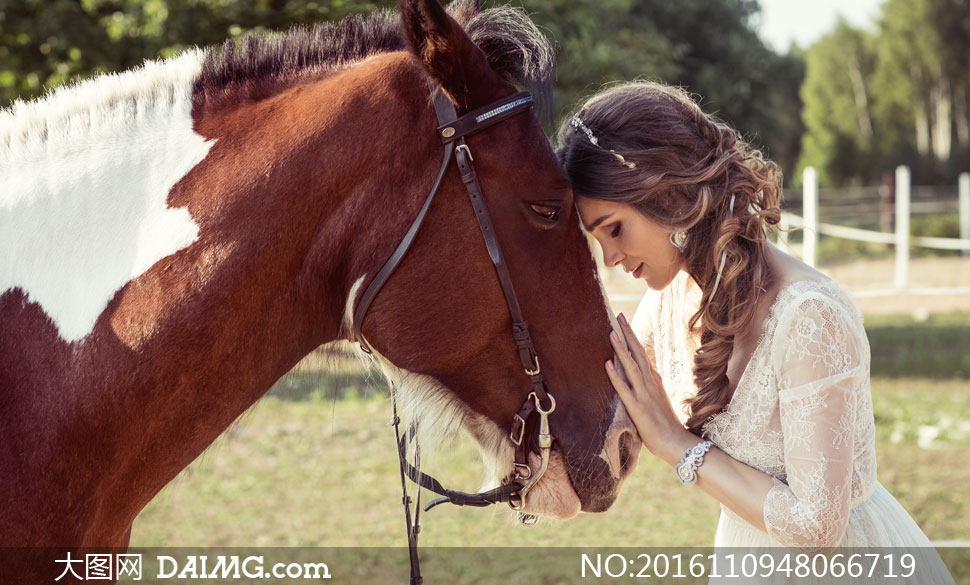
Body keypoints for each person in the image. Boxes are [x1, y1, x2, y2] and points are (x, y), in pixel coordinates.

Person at [557, 81, 955, 584]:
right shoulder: (665, 303)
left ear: (670, 195)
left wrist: (676, 445)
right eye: (596, 239)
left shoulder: (809, 317)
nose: (610, 259)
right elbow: (599, 399)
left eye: (614, 229)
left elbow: (818, 525)